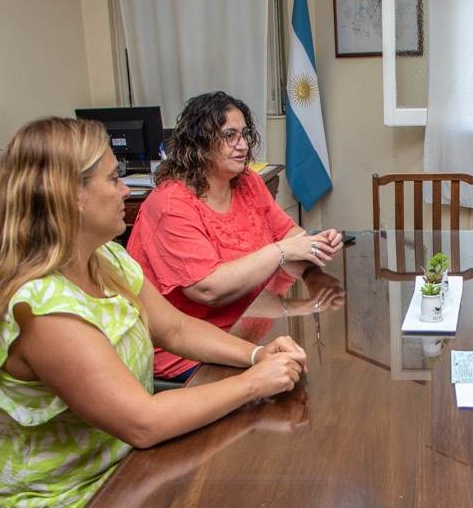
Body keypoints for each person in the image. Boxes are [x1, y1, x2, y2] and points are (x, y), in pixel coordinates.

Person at [0, 117, 308, 508]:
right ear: (70, 196)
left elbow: (176, 328)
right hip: (75, 506)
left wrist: (255, 353)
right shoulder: (43, 310)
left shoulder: (106, 259)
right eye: (111, 176)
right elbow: (142, 423)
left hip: (123, 461)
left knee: (264, 479)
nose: (126, 187)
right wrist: (255, 383)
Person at [127, 91, 343, 381]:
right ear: (199, 142)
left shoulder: (247, 181)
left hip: (249, 322)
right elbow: (208, 289)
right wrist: (283, 251)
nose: (242, 145)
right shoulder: (170, 205)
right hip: (189, 351)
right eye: (230, 136)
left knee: (319, 371)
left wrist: (313, 244)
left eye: (244, 134)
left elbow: (288, 232)